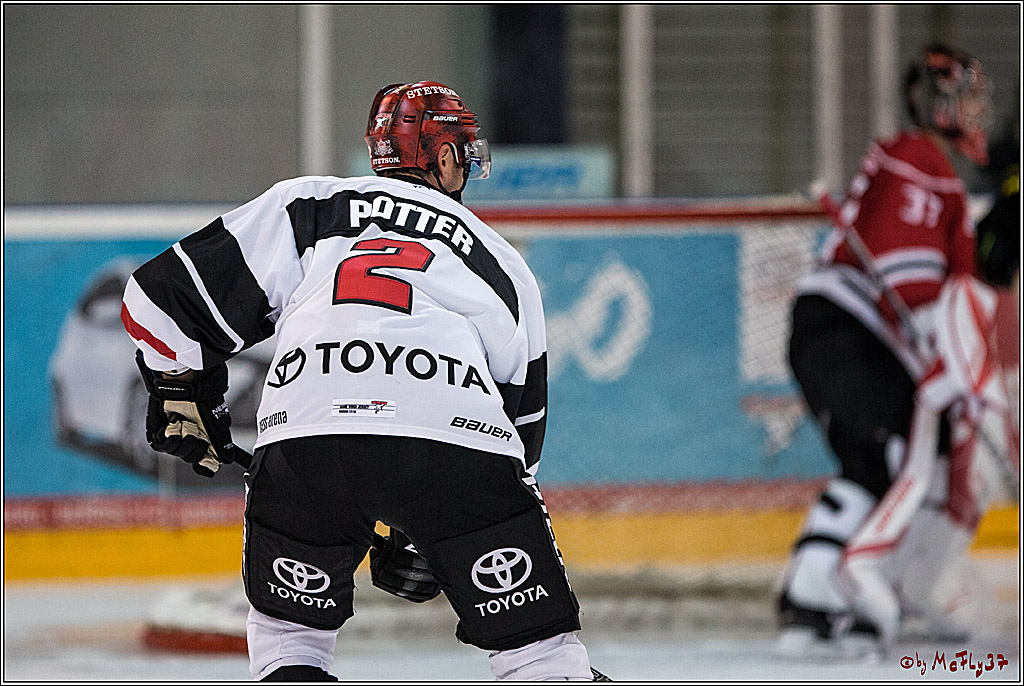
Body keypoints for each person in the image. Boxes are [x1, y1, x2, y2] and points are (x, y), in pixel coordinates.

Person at [121, 81, 607, 681]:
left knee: (288, 642)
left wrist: (180, 392)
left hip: (302, 440)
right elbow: (520, 437)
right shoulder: (500, 257)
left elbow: (154, 300)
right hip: (455, 441)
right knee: (541, 653)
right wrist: (436, 529)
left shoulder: (308, 204)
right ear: (447, 157)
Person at [776, 45, 998, 659]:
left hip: (851, 332)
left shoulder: (936, 174)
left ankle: (873, 587)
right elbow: (903, 268)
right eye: (966, 96)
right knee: (883, 456)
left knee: (896, 459)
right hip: (845, 326)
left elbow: (952, 286)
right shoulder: (918, 157)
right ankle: (813, 598)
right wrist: (940, 342)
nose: (975, 111)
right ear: (941, 101)